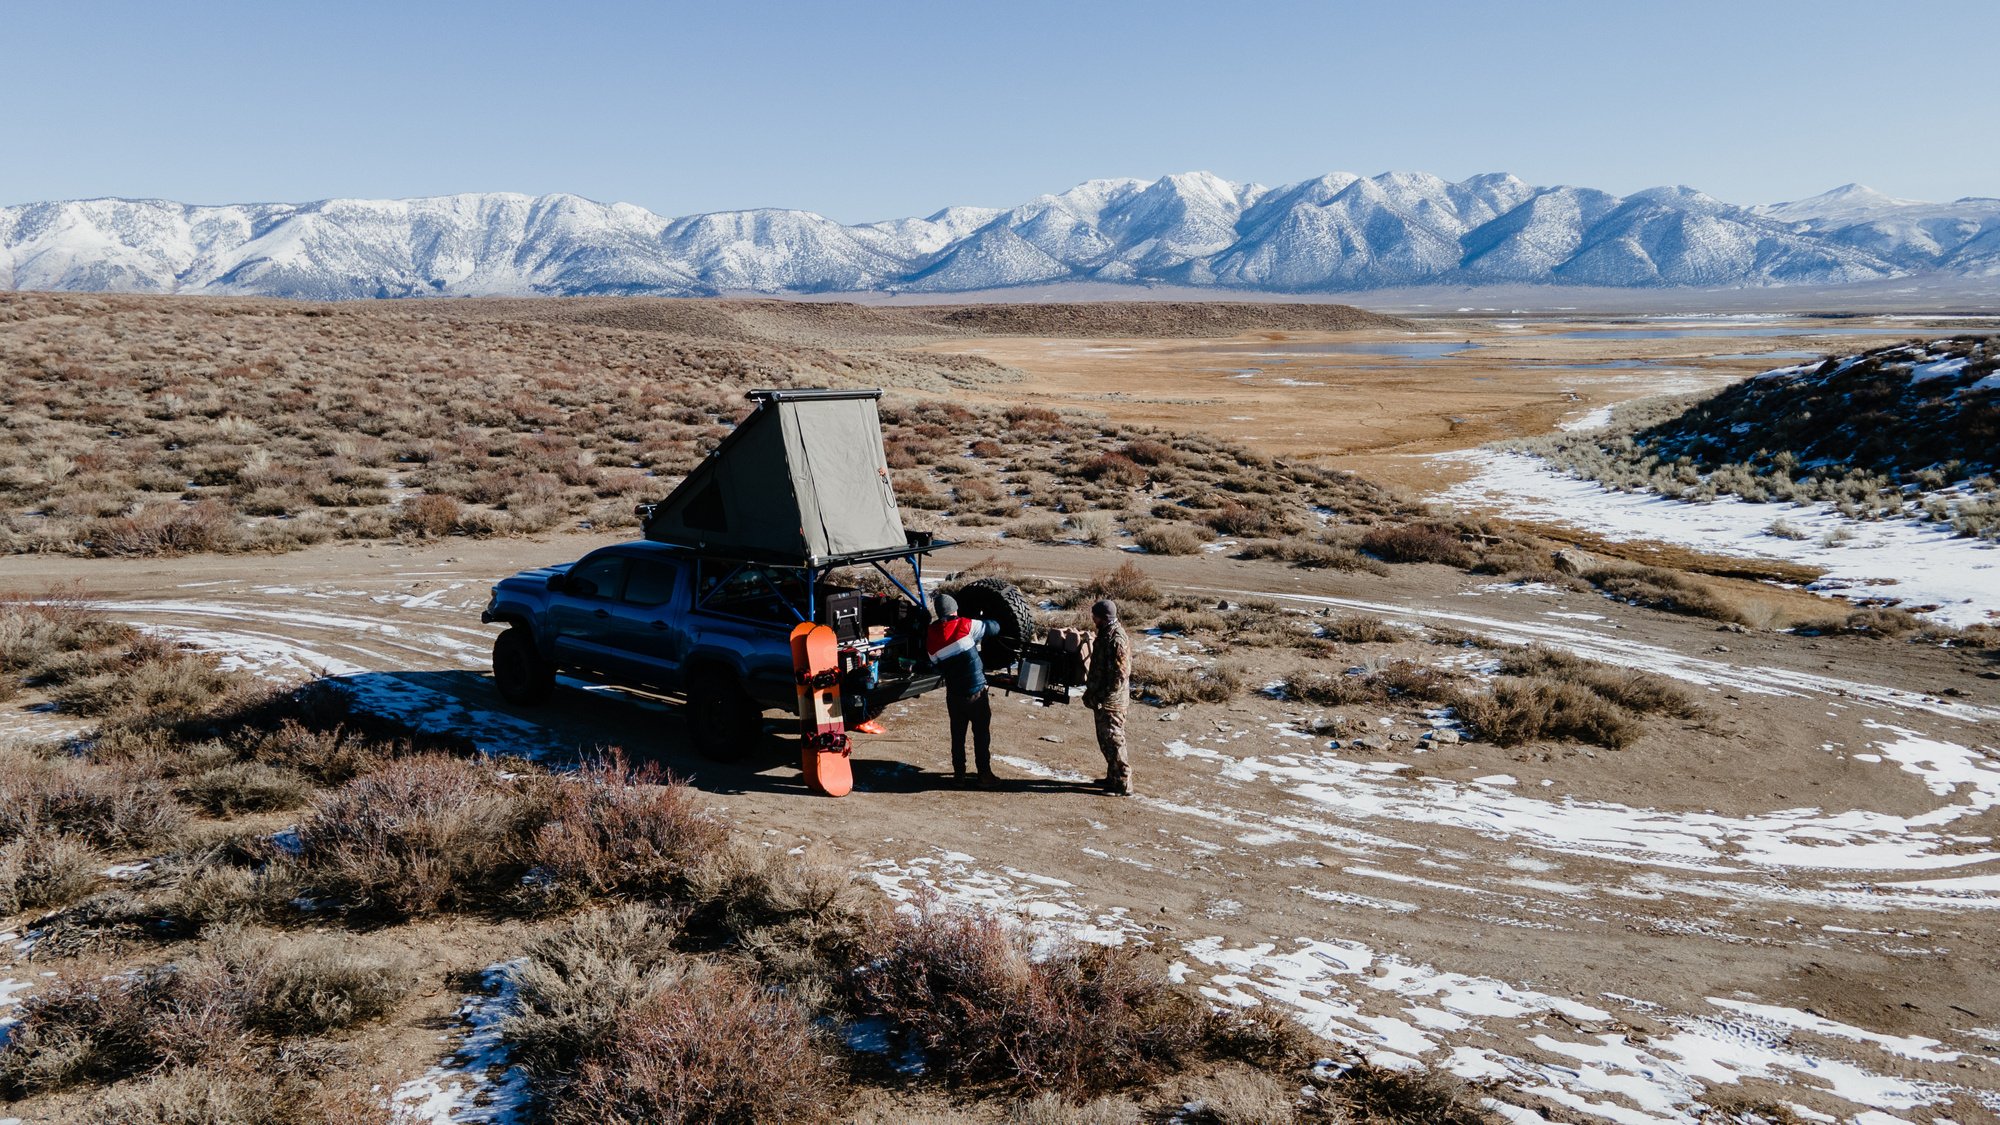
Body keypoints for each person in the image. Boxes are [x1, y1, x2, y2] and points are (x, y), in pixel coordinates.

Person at [926, 592, 1001, 787]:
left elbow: (935, 662)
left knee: (958, 736)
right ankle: (984, 775)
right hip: (976, 693)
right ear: (955, 610)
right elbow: (994, 628)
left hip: (954, 695)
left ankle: (959, 775)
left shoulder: (932, 635)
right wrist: (988, 618)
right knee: (981, 735)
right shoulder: (965, 625)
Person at [1082, 598, 1132, 795]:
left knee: (1114, 741)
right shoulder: (1105, 633)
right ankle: (1113, 777)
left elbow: (1120, 675)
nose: (1093, 619)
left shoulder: (1116, 639)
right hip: (1103, 699)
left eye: (1095, 616)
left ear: (1103, 617)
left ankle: (1123, 784)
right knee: (1106, 741)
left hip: (1112, 702)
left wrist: (1102, 696)